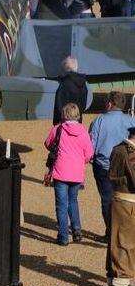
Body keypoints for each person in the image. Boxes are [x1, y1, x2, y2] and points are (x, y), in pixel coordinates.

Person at [45, 103, 95, 246]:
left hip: (61, 171)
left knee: (61, 205)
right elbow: (89, 153)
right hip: (77, 172)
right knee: (73, 201)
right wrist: (81, 161)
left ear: (64, 114)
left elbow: (48, 144)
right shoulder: (83, 131)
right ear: (77, 115)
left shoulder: (58, 129)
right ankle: (77, 230)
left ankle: (63, 236)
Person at [88, 91, 135, 239]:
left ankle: (111, 232)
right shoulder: (131, 122)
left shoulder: (98, 121)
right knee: (127, 198)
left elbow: (91, 145)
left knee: (107, 199)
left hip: (104, 165)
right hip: (127, 165)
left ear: (109, 104)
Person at [107, 126, 135, 286]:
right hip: (127, 201)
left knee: (115, 239)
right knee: (125, 241)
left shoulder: (118, 149)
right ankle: (121, 282)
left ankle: (113, 278)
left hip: (119, 199)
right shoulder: (130, 154)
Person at [53, 55, 88, 124]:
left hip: (64, 122)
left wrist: (56, 122)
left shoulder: (64, 84)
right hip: (77, 120)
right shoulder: (83, 83)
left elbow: (59, 105)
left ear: (65, 68)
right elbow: (83, 105)